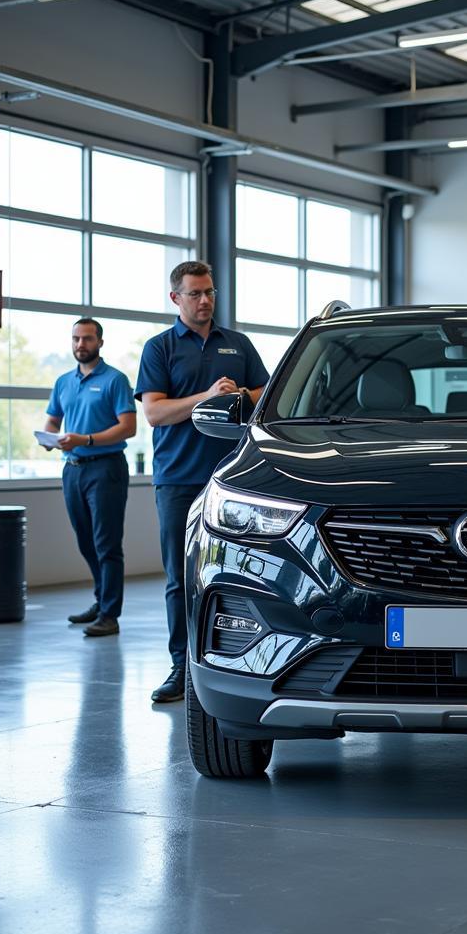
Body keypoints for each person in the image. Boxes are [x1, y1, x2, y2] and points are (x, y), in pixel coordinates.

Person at [135, 261, 269, 705]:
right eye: (195, 293)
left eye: (209, 291)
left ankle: (241, 662)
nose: (205, 300)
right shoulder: (160, 348)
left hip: (234, 480)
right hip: (177, 480)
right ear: (176, 298)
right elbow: (155, 412)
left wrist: (238, 395)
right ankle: (181, 667)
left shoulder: (239, 344)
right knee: (180, 577)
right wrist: (207, 397)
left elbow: (266, 395)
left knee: (238, 575)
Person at [44, 318, 137, 637]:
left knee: (106, 543)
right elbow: (53, 421)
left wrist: (86, 439)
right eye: (75, 339)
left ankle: (110, 614)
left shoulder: (115, 380)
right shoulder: (63, 382)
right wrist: (48, 437)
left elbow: (128, 427)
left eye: (86, 339)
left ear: (100, 342)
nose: (80, 344)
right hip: (72, 470)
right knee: (86, 541)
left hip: (106, 467)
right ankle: (101, 600)